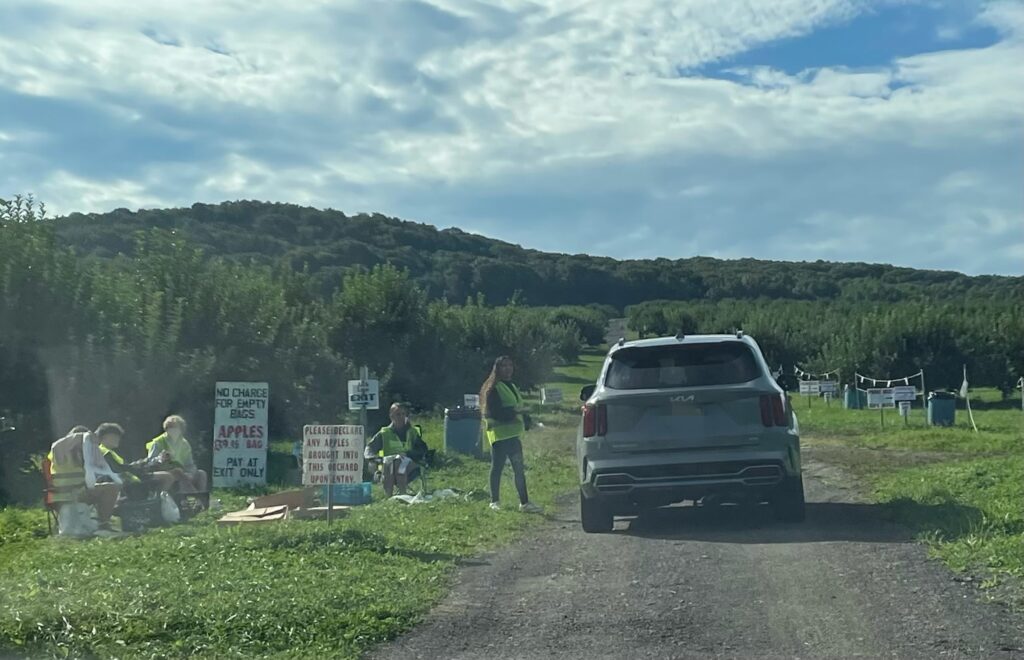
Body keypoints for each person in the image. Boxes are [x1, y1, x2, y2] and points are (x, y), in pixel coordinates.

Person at [480, 356, 542, 513]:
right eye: (504, 366)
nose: (508, 369)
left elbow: (517, 407)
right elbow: (496, 412)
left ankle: (524, 503)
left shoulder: (512, 386)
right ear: (497, 369)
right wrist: (516, 412)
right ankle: (494, 501)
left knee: (519, 469)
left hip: (513, 435)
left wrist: (528, 420)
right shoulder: (493, 388)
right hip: (499, 435)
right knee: (497, 468)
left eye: (510, 365)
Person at [48, 423, 125, 535]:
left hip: (56, 496)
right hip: (76, 492)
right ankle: (103, 524)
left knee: (101, 486)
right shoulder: (80, 452)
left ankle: (95, 522)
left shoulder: (56, 451)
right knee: (112, 488)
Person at [364, 402, 429, 496]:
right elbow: (370, 448)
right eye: (398, 414)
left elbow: (423, 449)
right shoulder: (384, 433)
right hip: (389, 464)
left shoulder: (412, 432)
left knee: (399, 462)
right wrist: (373, 458)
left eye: (403, 414)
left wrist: (409, 454)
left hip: (410, 463)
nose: (401, 417)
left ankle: (402, 494)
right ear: (392, 416)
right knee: (391, 463)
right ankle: (390, 496)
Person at [146, 415, 207, 495]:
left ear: (181, 430)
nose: (173, 431)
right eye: (170, 428)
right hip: (163, 472)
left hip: (183, 472)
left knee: (201, 473)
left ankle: (202, 496)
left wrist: (190, 474)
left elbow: (190, 464)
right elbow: (149, 463)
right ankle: (193, 496)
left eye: (175, 428)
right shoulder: (158, 442)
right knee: (178, 472)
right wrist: (160, 459)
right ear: (166, 429)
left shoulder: (185, 444)